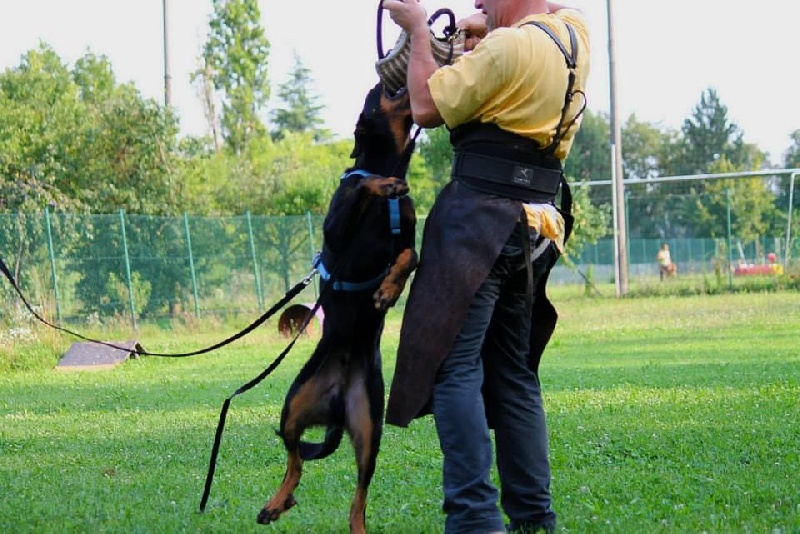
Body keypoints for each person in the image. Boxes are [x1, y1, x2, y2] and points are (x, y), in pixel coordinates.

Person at [381, 0, 590, 532]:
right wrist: (491, 22)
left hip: (478, 222)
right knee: (514, 373)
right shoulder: (573, 35)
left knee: (455, 369)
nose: (475, 3)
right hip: (535, 224)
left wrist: (417, 31)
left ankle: (475, 519)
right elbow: (550, 8)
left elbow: (424, 106)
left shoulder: (506, 48)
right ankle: (534, 517)